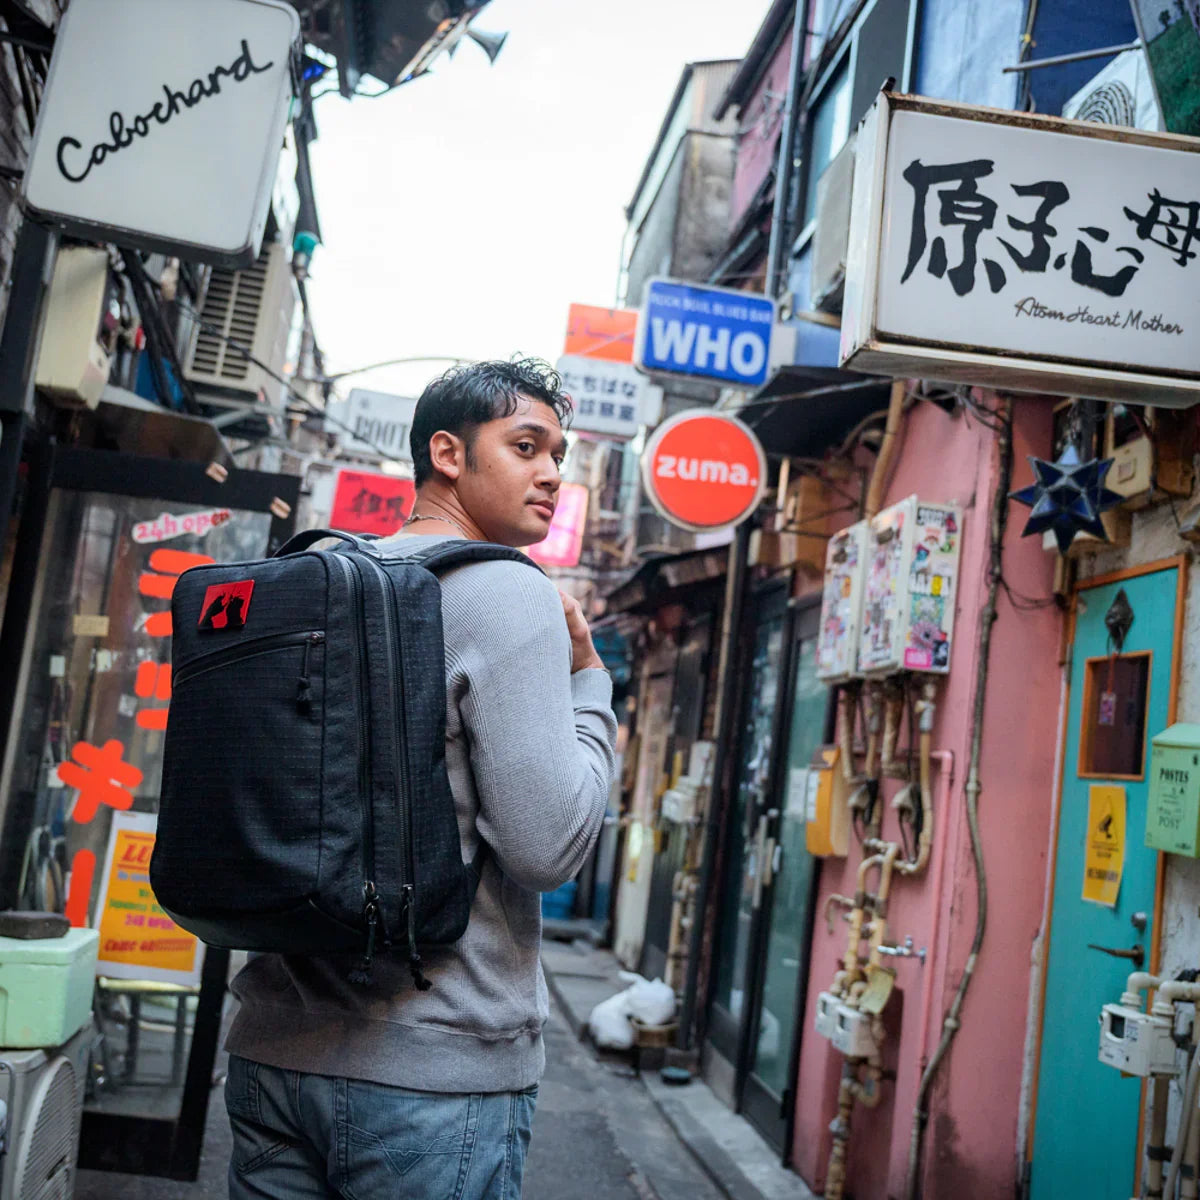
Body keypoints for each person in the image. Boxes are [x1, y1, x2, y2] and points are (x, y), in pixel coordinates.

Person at [223, 358, 617, 1198]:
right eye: (526, 446)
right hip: (434, 1076)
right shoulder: (507, 593)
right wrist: (590, 686)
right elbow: (548, 849)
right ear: (447, 452)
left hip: (270, 1053)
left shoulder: (322, 577)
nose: (553, 473)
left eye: (560, 454)